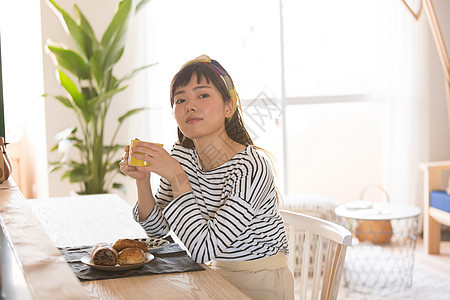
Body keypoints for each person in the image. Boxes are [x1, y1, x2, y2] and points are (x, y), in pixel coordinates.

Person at [119, 55, 294, 299]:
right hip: (212, 275)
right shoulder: (182, 158)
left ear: (228, 107)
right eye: (180, 99)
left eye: (202, 95)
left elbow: (204, 248)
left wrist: (176, 176)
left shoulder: (251, 167)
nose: (190, 105)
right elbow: (158, 232)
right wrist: (142, 180)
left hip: (259, 281)